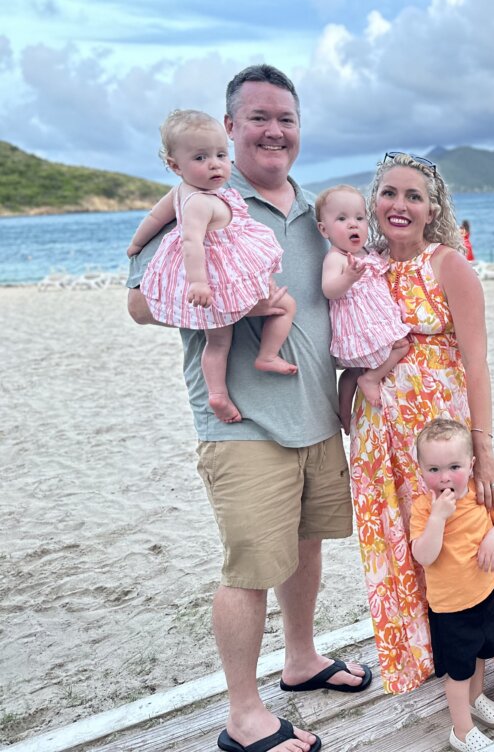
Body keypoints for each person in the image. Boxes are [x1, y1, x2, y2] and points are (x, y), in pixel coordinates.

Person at [126, 65, 370, 752]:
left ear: (299, 130)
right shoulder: (196, 203)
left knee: (305, 548)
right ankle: (242, 714)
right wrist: (228, 296)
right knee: (249, 567)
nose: (273, 130)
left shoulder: (322, 213)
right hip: (242, 426)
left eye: (285, 118)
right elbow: (139, 303)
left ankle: (302, 660)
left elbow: (348, 300)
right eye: (257, 117)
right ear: (230, 129)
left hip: (319, 417)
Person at [347, 152, 494, 720]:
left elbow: (478, 364)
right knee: (408, 551)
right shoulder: (363, 266)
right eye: (389, 193)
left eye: (413, 196)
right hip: (383, 441)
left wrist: (483, 447)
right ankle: (446, 666)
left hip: (445, 439)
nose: (399, 206)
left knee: (476, 539)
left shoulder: (449, 265)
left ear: (432, 209)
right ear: (374, 201)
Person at [126, 109, 298, 424]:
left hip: (221, 278)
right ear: (175, 166)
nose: (215, 164)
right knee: (283, 305)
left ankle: (218, 393)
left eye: (221, 154)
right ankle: (266, 356)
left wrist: (137, 244)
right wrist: (198, 284)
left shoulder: (187, 194)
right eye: (201, 158)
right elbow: (191, 243)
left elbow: (154, 218)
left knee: (218, 342)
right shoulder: (197, 202)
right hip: (215, 284)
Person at [411, 418, 494, 750]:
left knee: (482, 651)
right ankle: (461, 729)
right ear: (421, 470)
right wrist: (438, 518)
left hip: (485, 593)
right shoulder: (425, 507)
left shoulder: (478, 491)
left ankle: (475, 699)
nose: (444, 477)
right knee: (457, 672)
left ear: (471, 465)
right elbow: (423, 555)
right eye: (434, 469)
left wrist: (492, 538)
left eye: (454, 466)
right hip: (451, 608)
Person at [316, 184, 411, 426]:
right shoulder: (335, 258)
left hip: (376, 321)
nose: (353, 224)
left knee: (353, 372)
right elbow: (329, 289)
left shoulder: (368, 251)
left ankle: (344, 417)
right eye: (342, 218)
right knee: (400, 346)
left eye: (360, 218)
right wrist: (348, 277)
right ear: (324, 229)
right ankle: (370, 382)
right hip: (359, 325)